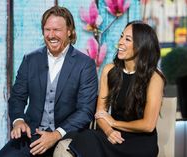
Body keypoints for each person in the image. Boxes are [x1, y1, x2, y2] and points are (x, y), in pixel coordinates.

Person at [0, 6, 98, 157]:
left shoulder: (85, 64)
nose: (51, 35)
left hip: (68, 136)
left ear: (69, 31)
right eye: (47, 29)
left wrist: (56, 135)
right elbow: (18, 97)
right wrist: (18, 120)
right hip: (33, 134)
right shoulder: (30, 60)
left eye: (57, 30)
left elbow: (86, 110)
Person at [68, 20, 166, 157]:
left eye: (127, 39)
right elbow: (100, 114)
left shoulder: (155, 78)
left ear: (141, 45)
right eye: (121, 37)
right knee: (86, 137)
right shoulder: (109, 71)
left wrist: (114, 122)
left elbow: (148, 125)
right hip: (113, 135)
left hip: (140, 142)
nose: (120, 42)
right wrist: (109, 131)